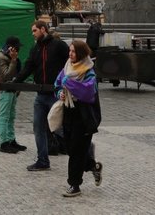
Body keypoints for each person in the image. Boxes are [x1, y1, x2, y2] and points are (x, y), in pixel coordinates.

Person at [13, 20, 69, 171]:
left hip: (56, 94)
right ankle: (43, 160)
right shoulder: (35, 48)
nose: (33, 34)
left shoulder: (58, 45)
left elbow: (70, 65)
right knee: (38, 128)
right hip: (41, 95)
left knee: (62, 128)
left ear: (43, 30)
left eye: (34, 31)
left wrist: (68, 84)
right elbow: (28, 67)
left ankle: (87, 151)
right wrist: (15, 81)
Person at [55, 39, 103, 198]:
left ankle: (74, 184)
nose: (70, 54)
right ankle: (92, 165)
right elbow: (58, 84)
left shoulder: (88, 71)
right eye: (70, 51)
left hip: (84, 115)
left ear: (81, 53)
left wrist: (69, 84)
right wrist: (59, 93)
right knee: (70, 147)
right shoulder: (67, 67)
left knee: (76, 150)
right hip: (69, 111)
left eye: (74, 51)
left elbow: (88, 93)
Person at [0, 36, 26, 153]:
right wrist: (13, 60)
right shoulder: (0, 57)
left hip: (12, 90)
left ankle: (11, 140)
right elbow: (7, 75)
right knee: (4, 117)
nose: (18, 51)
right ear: (10, 48)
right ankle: (4, 143)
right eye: (16, 48)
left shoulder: (9, 56)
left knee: (11, 116)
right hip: (5, 90)